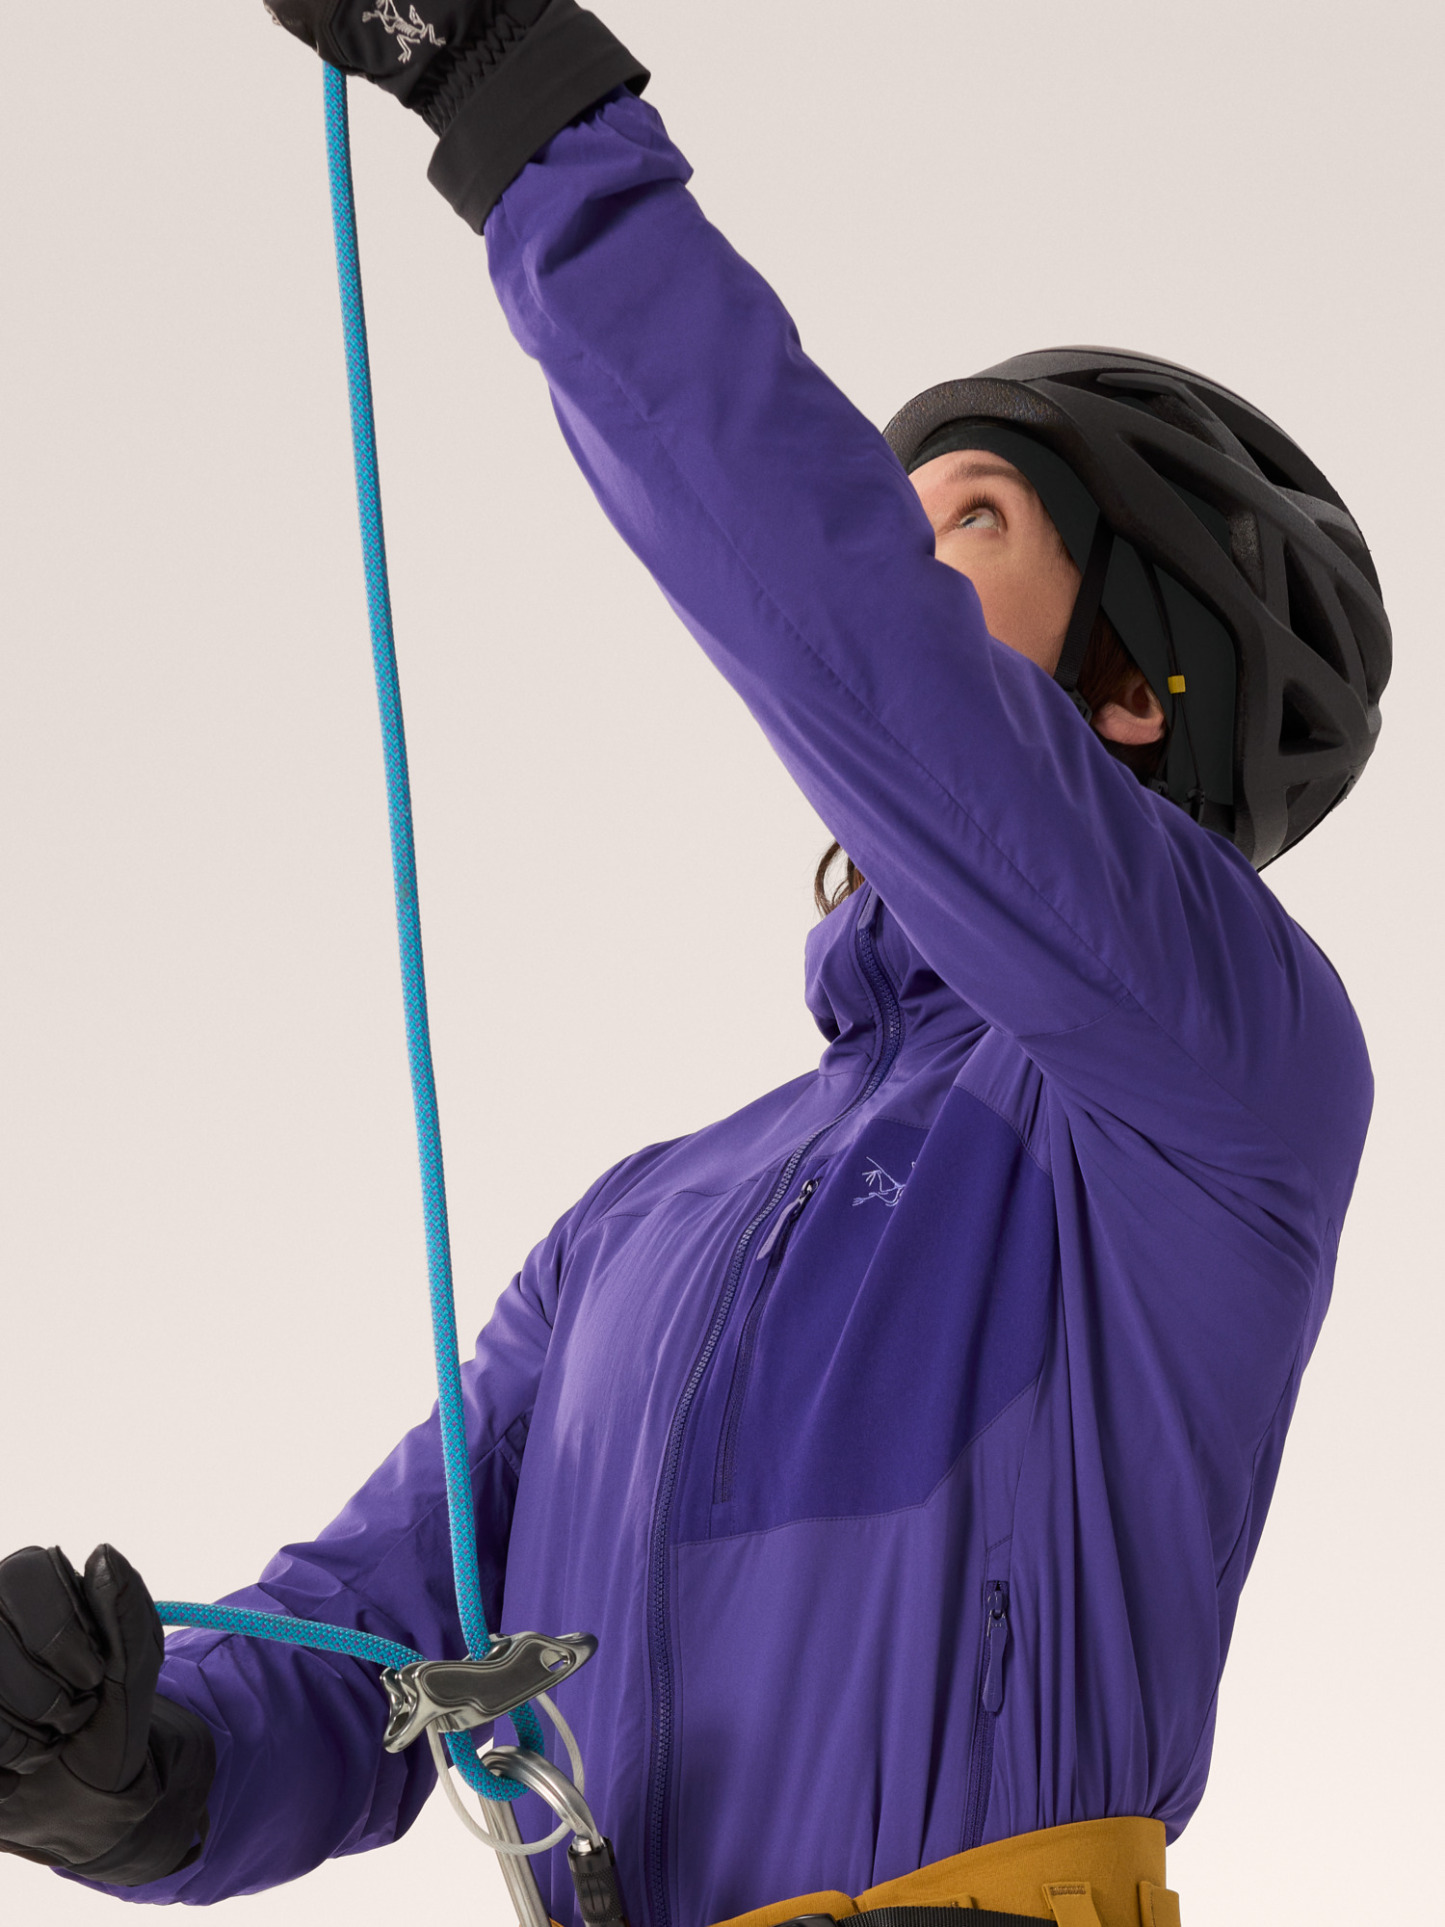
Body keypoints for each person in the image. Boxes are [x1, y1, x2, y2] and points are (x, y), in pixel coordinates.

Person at [0, 3, 1391, 1923]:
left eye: (967, 520)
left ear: (1138, 691)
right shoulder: (630, 1233)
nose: (889, 549)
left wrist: (507, 91)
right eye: (892, 517)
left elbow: (851, 627)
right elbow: (369, 1641)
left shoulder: (1217, 1069)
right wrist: (121, 1765)